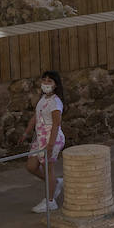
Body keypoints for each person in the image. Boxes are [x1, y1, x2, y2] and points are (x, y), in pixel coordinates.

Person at [25, 70, 65, 212]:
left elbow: (56, 125)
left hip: (51, 138)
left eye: (49, 81)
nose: (46, 84)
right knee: (31, 166)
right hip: (40, 137)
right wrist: (27, 132)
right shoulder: (43, 99)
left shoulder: (55, 103)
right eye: (44, 80)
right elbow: (36, 116)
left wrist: (50, 145)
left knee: (49, 168)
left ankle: (50, 201)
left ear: (55, 85)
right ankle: (55, 183)